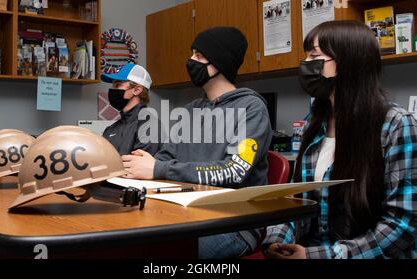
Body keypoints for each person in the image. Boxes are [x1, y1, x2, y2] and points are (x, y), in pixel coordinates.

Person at [263, 20, 417, 259]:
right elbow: (293, 202)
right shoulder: (312, 126)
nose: (306, 65)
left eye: (314, 56)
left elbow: (402, 225)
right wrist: (277, 240)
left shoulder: (396, 124)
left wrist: (318, 256)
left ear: (348, 61)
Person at [121, 26, 273, 258]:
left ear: (220, 63)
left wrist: (157, 168)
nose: (191, 61)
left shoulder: (252, 109)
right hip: (188, 214)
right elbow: (164, 157)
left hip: (233, 224)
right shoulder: (191, 111)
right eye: (192, 53)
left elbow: (234, 171)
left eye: (199, 56)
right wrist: (142, 166)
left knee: (160, 251)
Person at [101, 63, 160, 156]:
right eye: (113, 86)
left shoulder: (149, 126)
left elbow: (139, 168)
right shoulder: (110, 130)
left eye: (118, 85)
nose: (112, 90)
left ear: (137, 90)